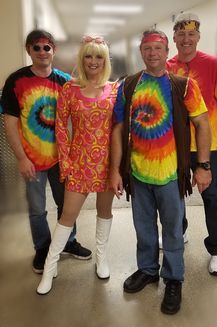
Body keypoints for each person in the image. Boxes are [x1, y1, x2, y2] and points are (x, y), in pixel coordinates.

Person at [109, 29, 212, 314]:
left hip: (169, 174)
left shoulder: (183, 86)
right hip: (137, 174)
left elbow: (203, 124)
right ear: (141, 52)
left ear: (167, 53)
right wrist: (116, 170)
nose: (152, 53)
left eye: (158, 48)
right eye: (147, 48)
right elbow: (118, 128)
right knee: (143, 228)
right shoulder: (128, 85)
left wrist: (203, 166)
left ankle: (174, 278)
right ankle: (148, 269)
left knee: (173, 230)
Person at [1, 29, 92, 274]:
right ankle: (42, 248)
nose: (42, 52)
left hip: (62, 159)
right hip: (31, 159)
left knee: (66, 204)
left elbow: (88, 102)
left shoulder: (64, 81)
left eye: (46, 47)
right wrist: (21, 158)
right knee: (37, 209)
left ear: (54, 50)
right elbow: (10, 123)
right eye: (36, 47)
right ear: (28, 50)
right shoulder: (16, 81)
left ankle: (68, 242)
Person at [37, 35, 119, 295]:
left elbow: (119, 129)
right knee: (67, 216)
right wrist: (66, 162)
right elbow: (60, 128)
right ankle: (50, 267)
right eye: (88, 55)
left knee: (104, 211)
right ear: (81, 59)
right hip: (80, 162)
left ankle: (101, 257)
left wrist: (119, 166)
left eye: (98, 56)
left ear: (105, 60)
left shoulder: (115, 90)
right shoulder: (69, 89)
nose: (93, 61)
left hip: (107, 163)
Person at [167, 12, 217, 276]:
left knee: (211, 196)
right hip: (175, 145)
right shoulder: (168, 65)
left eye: (191, 34)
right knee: (175, 195)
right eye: (181, 34)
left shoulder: (213, 64)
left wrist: (215, 125)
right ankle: (180, 232)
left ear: (198, 36)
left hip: (209, 145)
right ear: (174, 37)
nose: (186, 39)